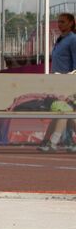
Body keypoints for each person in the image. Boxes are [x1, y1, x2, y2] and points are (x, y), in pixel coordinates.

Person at [41, 13, 76, 153]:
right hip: (57, 83)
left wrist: (71, 81)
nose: (59, 24)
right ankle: (65, 143)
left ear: (71, 23)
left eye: (62, 22)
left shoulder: (73, 40)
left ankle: (54, 142)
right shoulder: (60, 39)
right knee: (65, 114)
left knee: (65, 113)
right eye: (58, 22)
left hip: (67, 84)